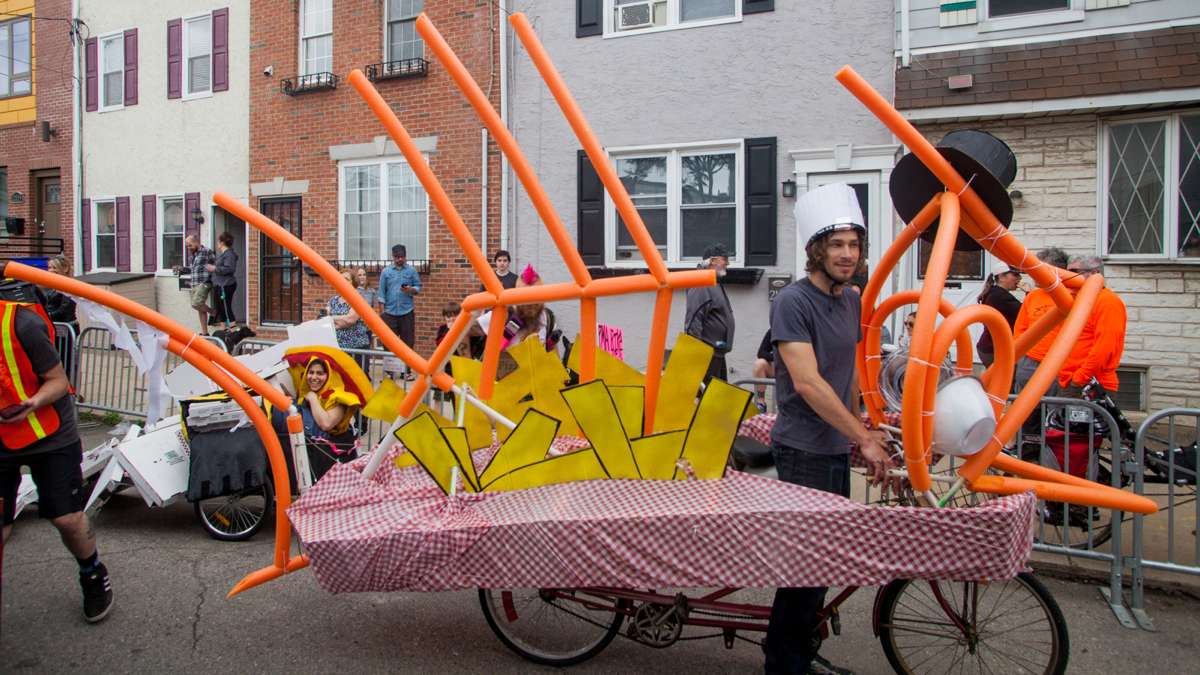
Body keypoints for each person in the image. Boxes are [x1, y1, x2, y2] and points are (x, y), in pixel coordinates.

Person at [766, 183, 890, 675]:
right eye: (835, 244)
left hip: (834, 445)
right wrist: (862, 437)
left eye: (853, 244)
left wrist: (869, 423)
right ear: (816, 250)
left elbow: (850, 370)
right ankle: (784, 663)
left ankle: (800, 651)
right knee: (804, 567)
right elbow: (809, 382)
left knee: (823, 564)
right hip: (802, 450)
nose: (846, 254)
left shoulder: (851, 300)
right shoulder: (793, 303)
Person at [0, 293, 114, 623]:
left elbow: (59, 381)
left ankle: (92, 573)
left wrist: (31, 404)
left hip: (48, 430)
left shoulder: (21, 323)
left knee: (66, 518)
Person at [1057, 255, 1127, 397]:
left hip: (1091, 384)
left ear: (1095, 274)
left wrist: (1079, 378)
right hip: (1071, 380)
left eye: (1074, 271)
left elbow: (1105, 347)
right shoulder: (1078, 300)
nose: (1068, 277)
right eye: (1067, 271)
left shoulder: (1107, 302)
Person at [1012, 247, 1070, 396]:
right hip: (1029, 362)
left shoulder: (1071, 296)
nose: (1034, 275)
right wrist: (1020, 357)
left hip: (1057, 363)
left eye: (1039, 270)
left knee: (1053, 409)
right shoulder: (1033, 296)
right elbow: (1020, 328)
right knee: (1024, 406)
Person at [297, 357, 360, 481]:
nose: (314, 377)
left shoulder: (338, 397)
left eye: (320, 373)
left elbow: (326, 424)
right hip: (315, 457)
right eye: (311, 372)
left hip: (335, 461)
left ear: (329, 375)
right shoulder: (306, 395)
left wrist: (313, 398)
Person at [684, 243, 735, 383]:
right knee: (705, 400)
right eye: (724, 259)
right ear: (713, 261)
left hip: (716, 354)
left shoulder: (713, 282)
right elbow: (694, 320)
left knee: (717, 399)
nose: (728, 263)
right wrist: (697, 355)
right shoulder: (701, 283)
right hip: (706, 356)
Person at [378, 244, 421, 380]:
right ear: (393, 257)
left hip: (406, 311)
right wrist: (382, 314)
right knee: (388, 343)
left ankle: (406, 371)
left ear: (405, 256)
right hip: (389, 313)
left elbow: (418, 288)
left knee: (408, 342)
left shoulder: (411, 271)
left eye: (402, 257)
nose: (400, 259)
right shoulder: (386, 272)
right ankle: (390, 372)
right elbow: (381, 293)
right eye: (397, 257)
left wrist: (410, 289)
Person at [976, 261, 1023, 366]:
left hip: (990, 347)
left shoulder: (992, 292)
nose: (1019, 278)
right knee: (1007, 381)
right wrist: (1030, 294)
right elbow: (1025, 313)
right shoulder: (999, 296)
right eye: (1015, 275)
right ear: (1001, 277)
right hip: (994, 349)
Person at [329, 270, 371, 351]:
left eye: (346, 279)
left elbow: (350, 320)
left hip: (357, 349)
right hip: (338, 349)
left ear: (353, 282)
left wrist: (332, 319)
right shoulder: (333, 300)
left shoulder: (358, 299)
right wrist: (341, 320)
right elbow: (325, 319)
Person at [182, 235, 216, 335]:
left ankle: (213, 312)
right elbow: (193, 269)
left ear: (196, 242)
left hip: (204, 281)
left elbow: (215, 264)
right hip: (194, 282)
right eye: (187, 246)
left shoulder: (206, 251)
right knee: (199, 308)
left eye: (190, 245)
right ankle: (205, 332)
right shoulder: (193, 255)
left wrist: (213, 277)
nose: (188, 248)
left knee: (196, 303)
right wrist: (183, 269)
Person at [207, 231, 239, 331]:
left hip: (227, 284)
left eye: (218, 242)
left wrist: (214, 268)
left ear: (221, 243)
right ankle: (224, 332)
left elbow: (230, 269)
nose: (217, 244)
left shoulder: (229, 254)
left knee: (226, 307)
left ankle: (234, 332)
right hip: (220, 284)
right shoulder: (223, 254)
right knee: (221, 309)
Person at [752, 329, 774, 414]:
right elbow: (761, 353)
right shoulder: (774, 329)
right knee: (759, 364)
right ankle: (761, 402)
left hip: (798, 367)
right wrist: (777, 357)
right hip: (780, 366)